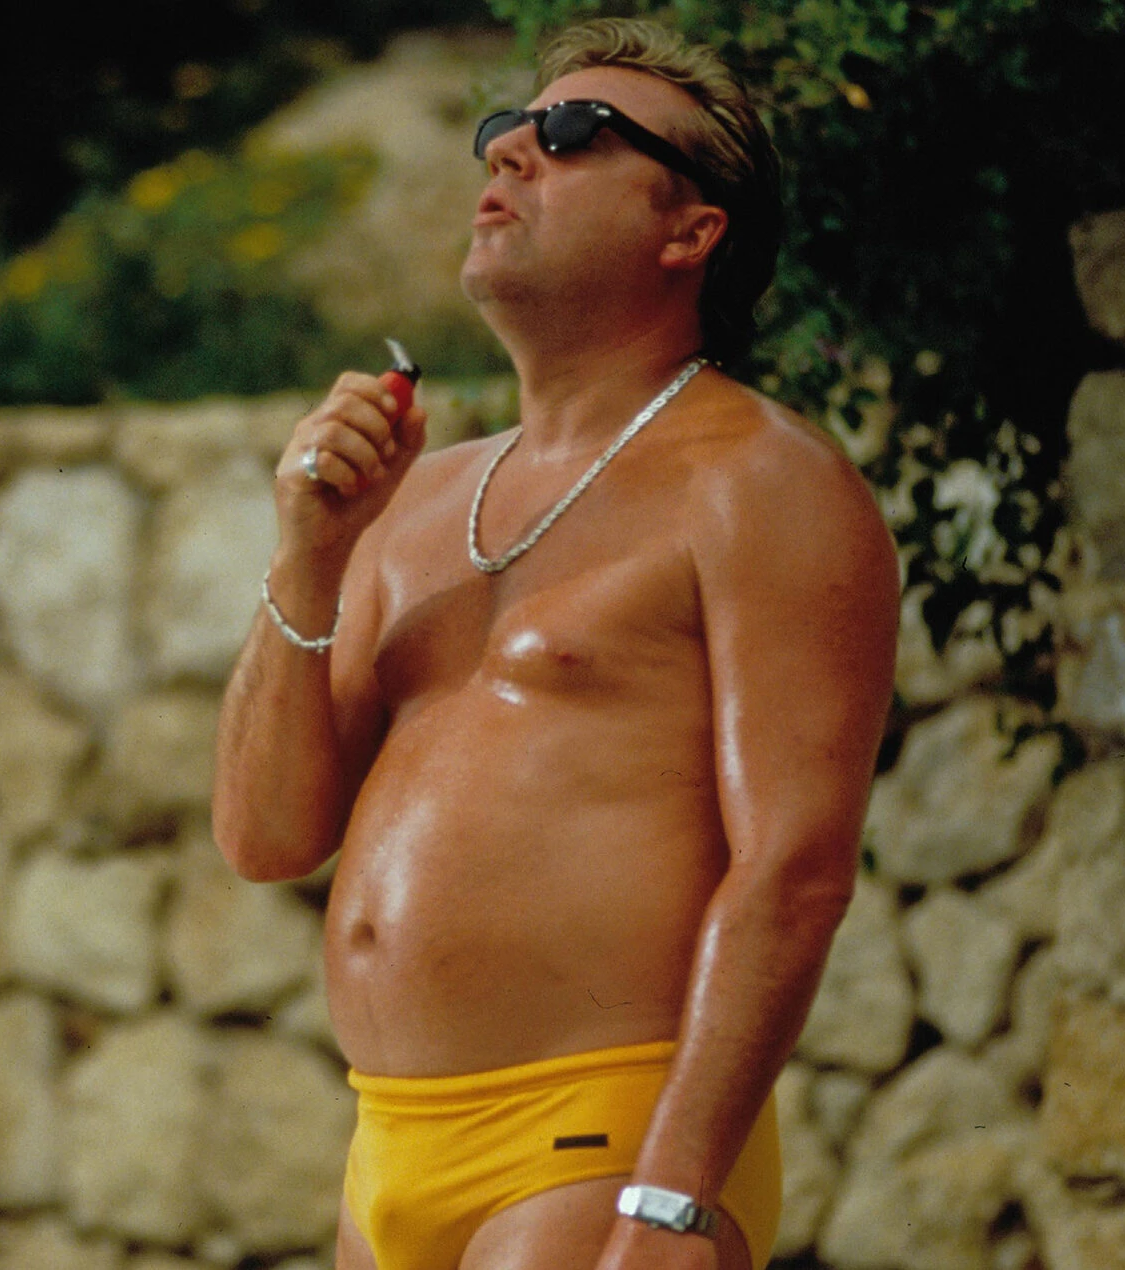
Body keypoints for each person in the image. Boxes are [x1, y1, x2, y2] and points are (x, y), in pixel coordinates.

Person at [210, 17, 899, 1270]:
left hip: (599, 1142)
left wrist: (672, 1199)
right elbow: (265, 837)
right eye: (508, 128)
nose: (514, 150)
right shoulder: (416, 501)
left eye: (577, 133)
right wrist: (308, 552)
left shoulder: (759, 482)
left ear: (689, 231)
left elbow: (792, 869)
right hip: (386, 1146)